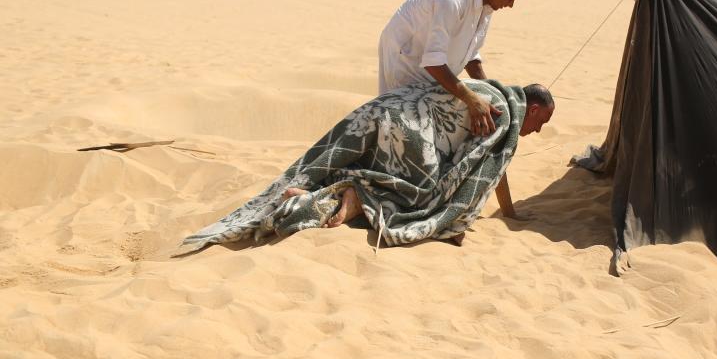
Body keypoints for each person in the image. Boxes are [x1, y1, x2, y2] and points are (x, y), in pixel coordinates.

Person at [181, 81, 554, 252]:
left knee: (322, 164)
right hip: (407, 132)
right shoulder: (504, 116)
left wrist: (509, 211)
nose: (536, 131)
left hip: (380, 109)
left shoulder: (489, 90)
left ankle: (314, 190)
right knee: (418, 198)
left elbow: (490, 163)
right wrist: (451, 218)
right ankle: (331, 201)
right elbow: (473, 170)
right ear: (533, 109)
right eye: (541, 123)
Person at [378, 0, 530, 137]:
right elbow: (433, 62)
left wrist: (488, 91)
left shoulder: (486, 7)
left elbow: (471, 55)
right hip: (405, 59)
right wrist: (472, 99)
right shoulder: (452, 0)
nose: (511, 5)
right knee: (401, 123)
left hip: (435, 66)